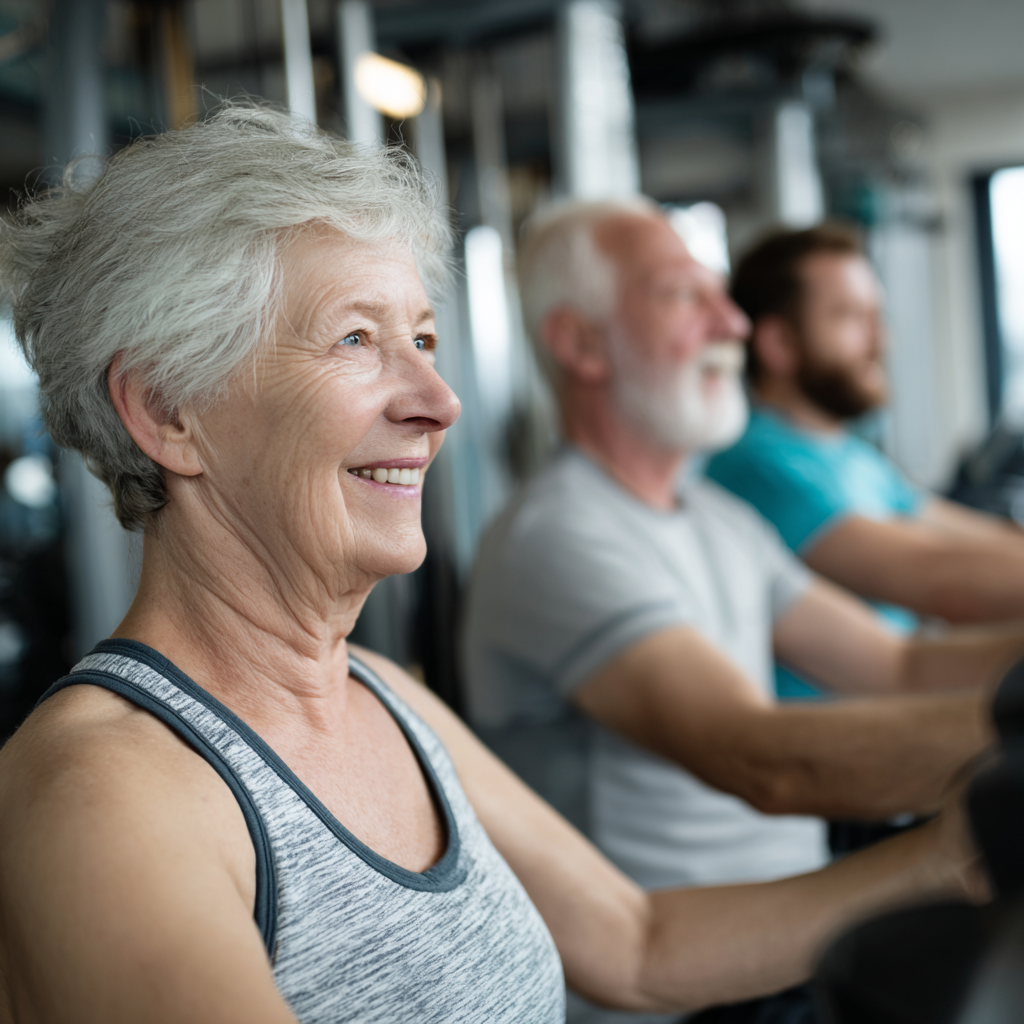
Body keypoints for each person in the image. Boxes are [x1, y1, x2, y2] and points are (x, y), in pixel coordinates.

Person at [0, 106, 985, 1024]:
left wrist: (960, 850)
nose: (439, 401)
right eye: (356, 339)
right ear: (167, 409)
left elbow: (640, 944)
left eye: (424, 339)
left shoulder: (381, 692)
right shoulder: (104, 793)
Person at [461, 198, 1022, 1023]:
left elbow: (898, 664)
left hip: (783, 952)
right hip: (681, 994)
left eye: (721, 295)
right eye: (684, 296)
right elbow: (755, 754)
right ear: (580, 344)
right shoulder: (559, 534)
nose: (732, 323)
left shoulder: (718, 519)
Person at [706, 224, 1024, 698]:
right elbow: (939, 576)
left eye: (878, 317)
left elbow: (976, 537)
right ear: (779, 344)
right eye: (852, 318)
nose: (880, 341)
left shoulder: (853, 455)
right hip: (839, 734)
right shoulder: (755, 467)